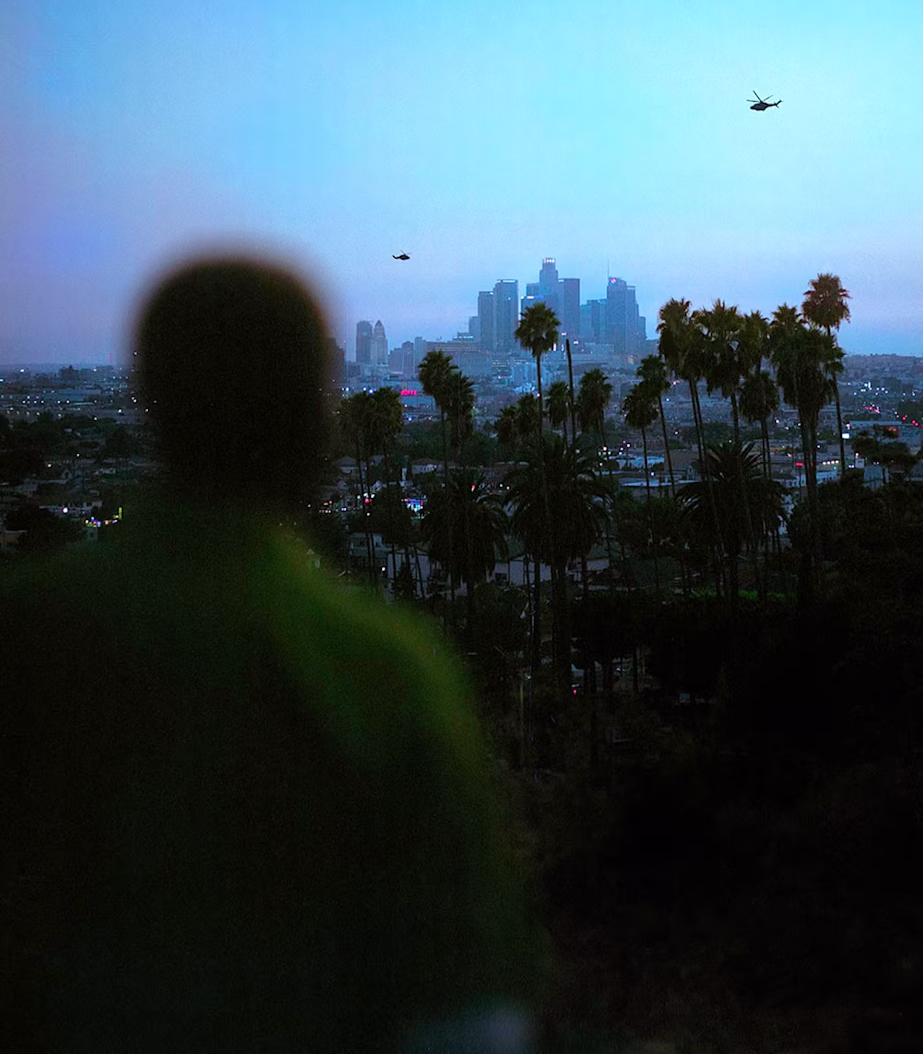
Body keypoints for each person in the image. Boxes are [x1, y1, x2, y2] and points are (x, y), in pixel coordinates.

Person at [0, 256, 543, 1052]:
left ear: (154, 404)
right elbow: (465, 1015)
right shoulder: (384, 670)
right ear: (310, 414)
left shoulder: (30, 629)